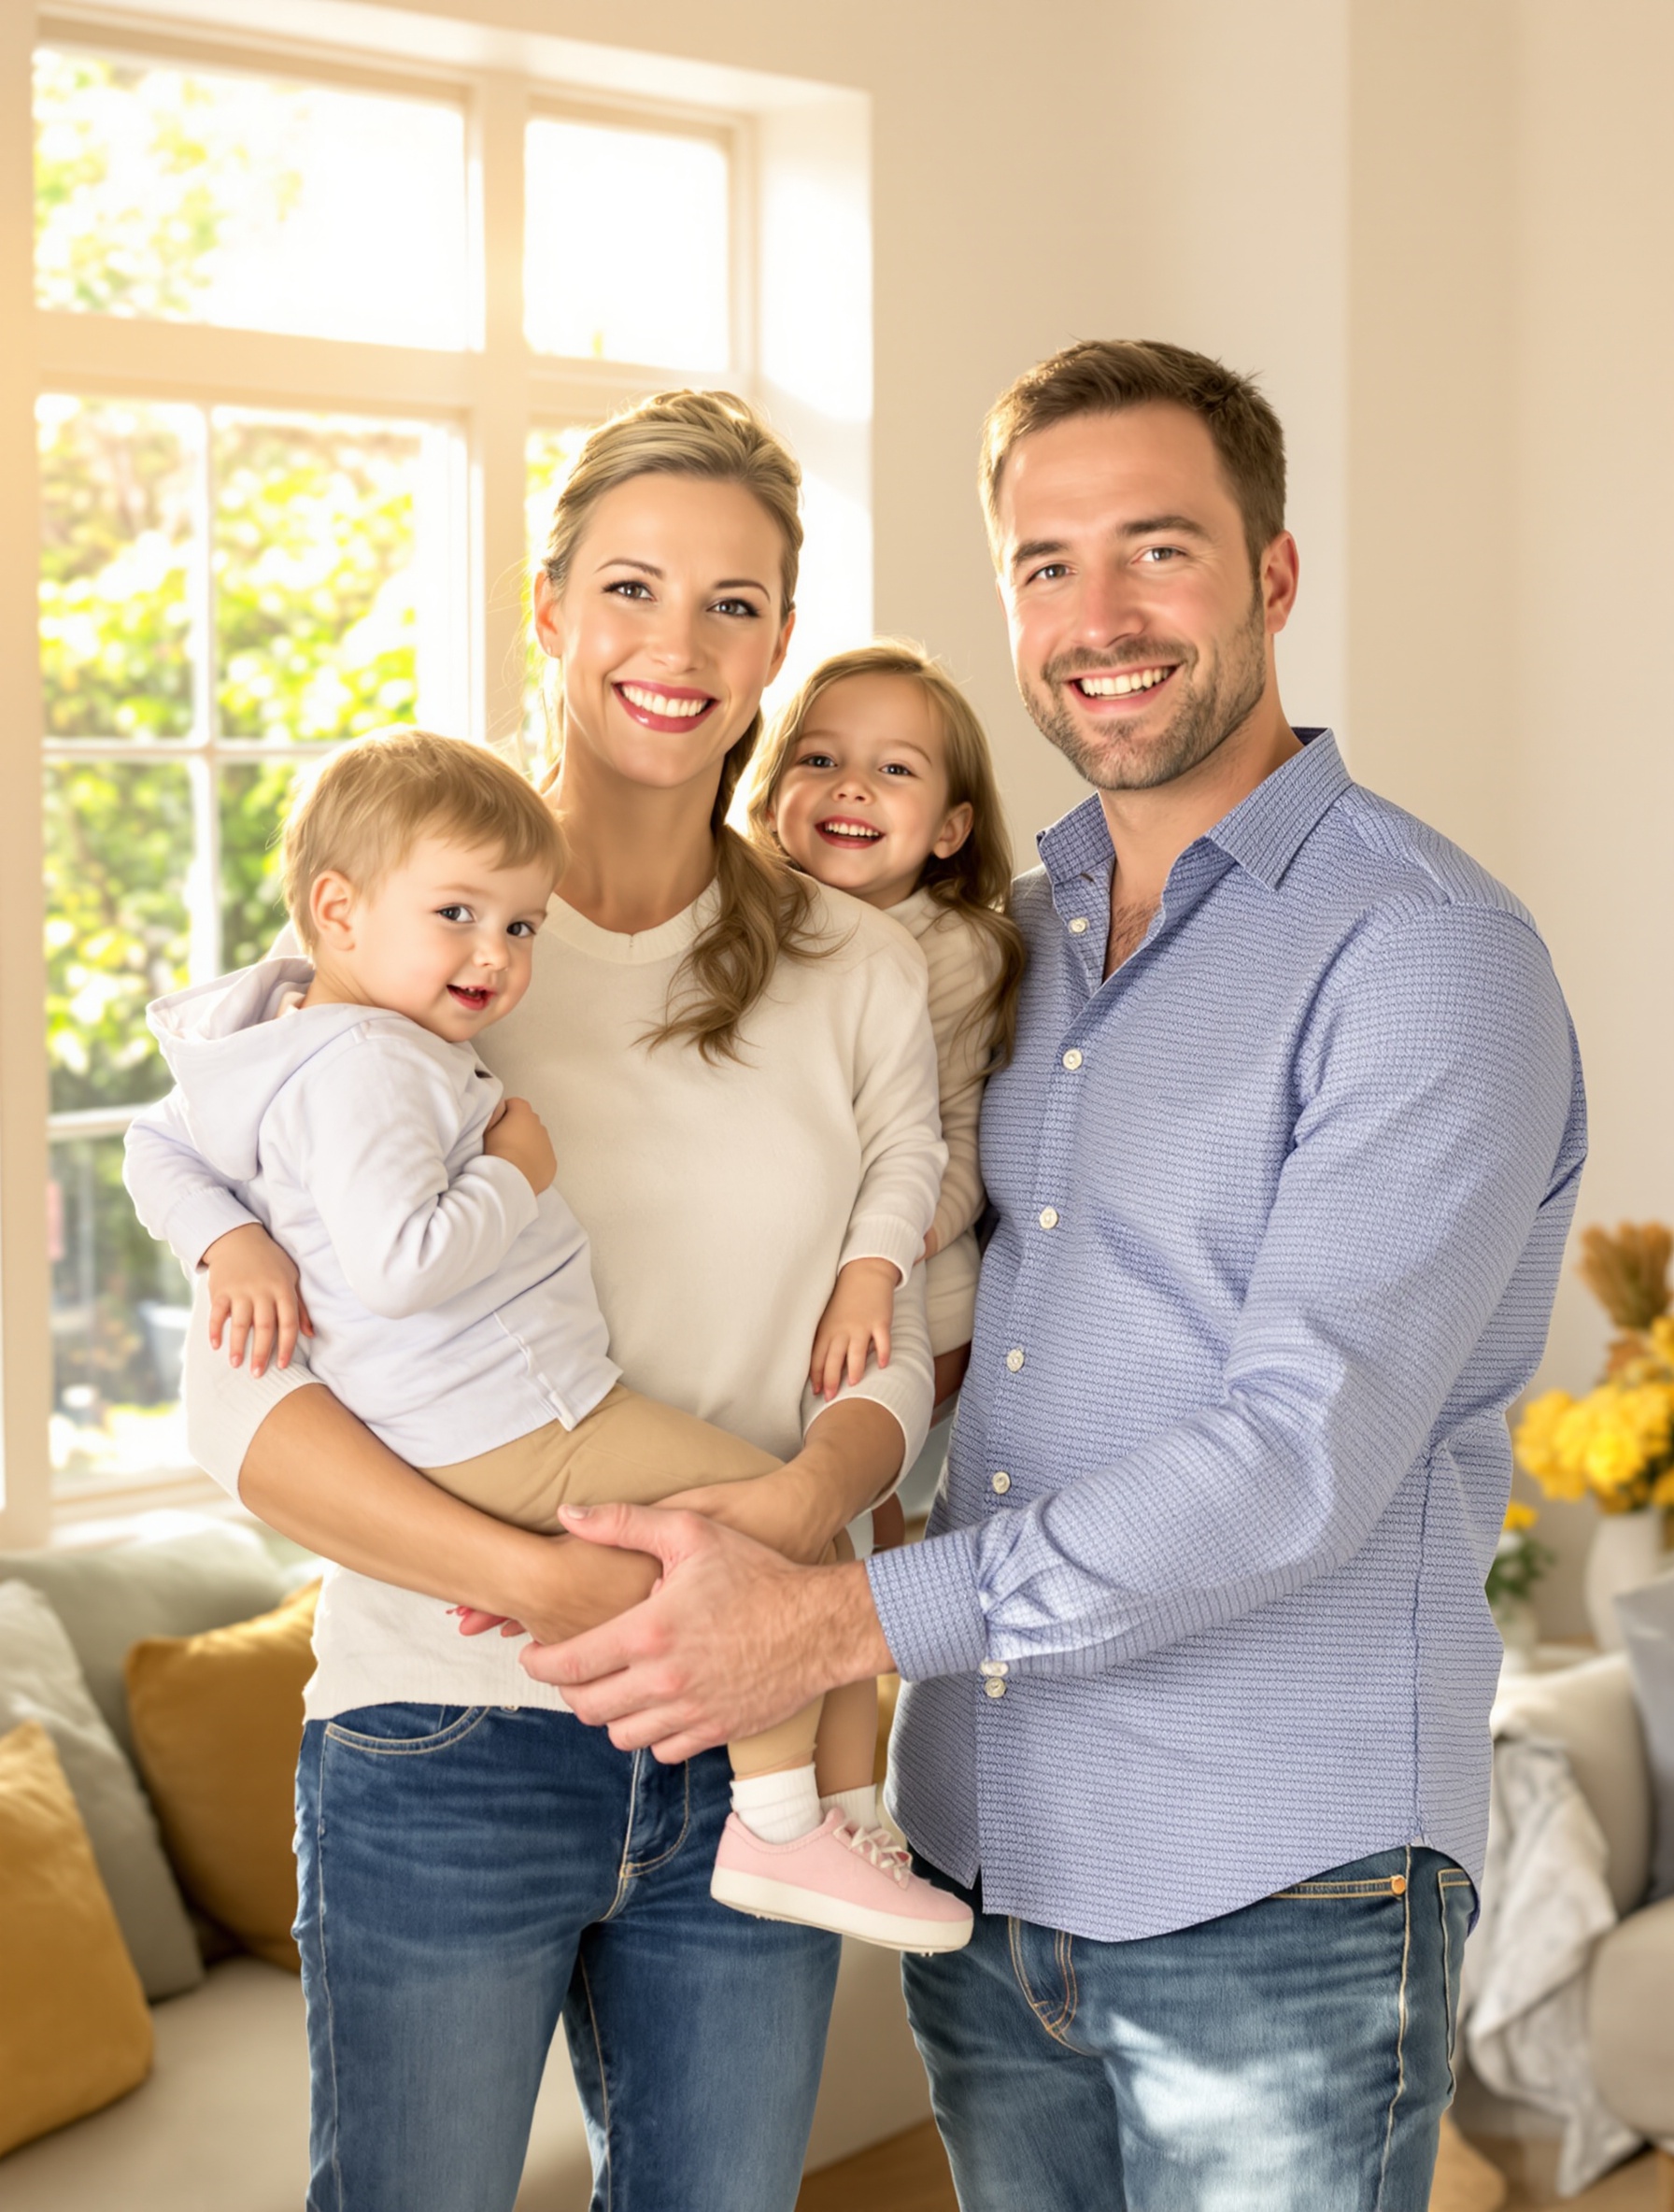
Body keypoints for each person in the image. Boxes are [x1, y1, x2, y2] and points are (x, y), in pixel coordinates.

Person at [521, 342, 1589, 2211]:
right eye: (1041, 564)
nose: (1094, 616)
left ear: (1268, 575)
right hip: (985, 1865)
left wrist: (833, 1624)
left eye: (1153, 551)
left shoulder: (1421, 958)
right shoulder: (1004, 945)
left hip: (1274, 1883)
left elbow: (1289, 1463)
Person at [121, 389, 942, 2212]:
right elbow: (240, 1407)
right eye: (632, 588)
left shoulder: (853, 966)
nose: (678, 645)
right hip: (449, 1735)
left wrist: (803, 1514)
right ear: (547, 609)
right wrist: (571, 1592)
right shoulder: (405, 942)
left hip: (751, 1768)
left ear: (778, 643)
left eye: (734, 603)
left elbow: (897, 1328)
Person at [127, 725, 969, 1954]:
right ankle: (800, 1822)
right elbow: (392, 1273)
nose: (496, 953)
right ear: (337, 910)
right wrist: (515, 1172)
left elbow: (161, 1139)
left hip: (513, 1426)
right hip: (502, 1491)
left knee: (806, 1550)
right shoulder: (370, 1051)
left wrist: (226, 1239)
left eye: (520, 927)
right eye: (462, 917)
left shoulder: (323, 1028)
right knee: (791, 1569)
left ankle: (823, 1819)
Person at [745, 643, 1026, 1464]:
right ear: (768, 804)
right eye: (820, 759)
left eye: (895, 769)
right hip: (779, 1279)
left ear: (950, 829)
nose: (851, 785)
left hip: (913, 1289)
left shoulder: (953, 950)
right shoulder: (747, 930)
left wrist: (885, 1248)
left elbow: (958, 1143)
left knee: (849, 1489)